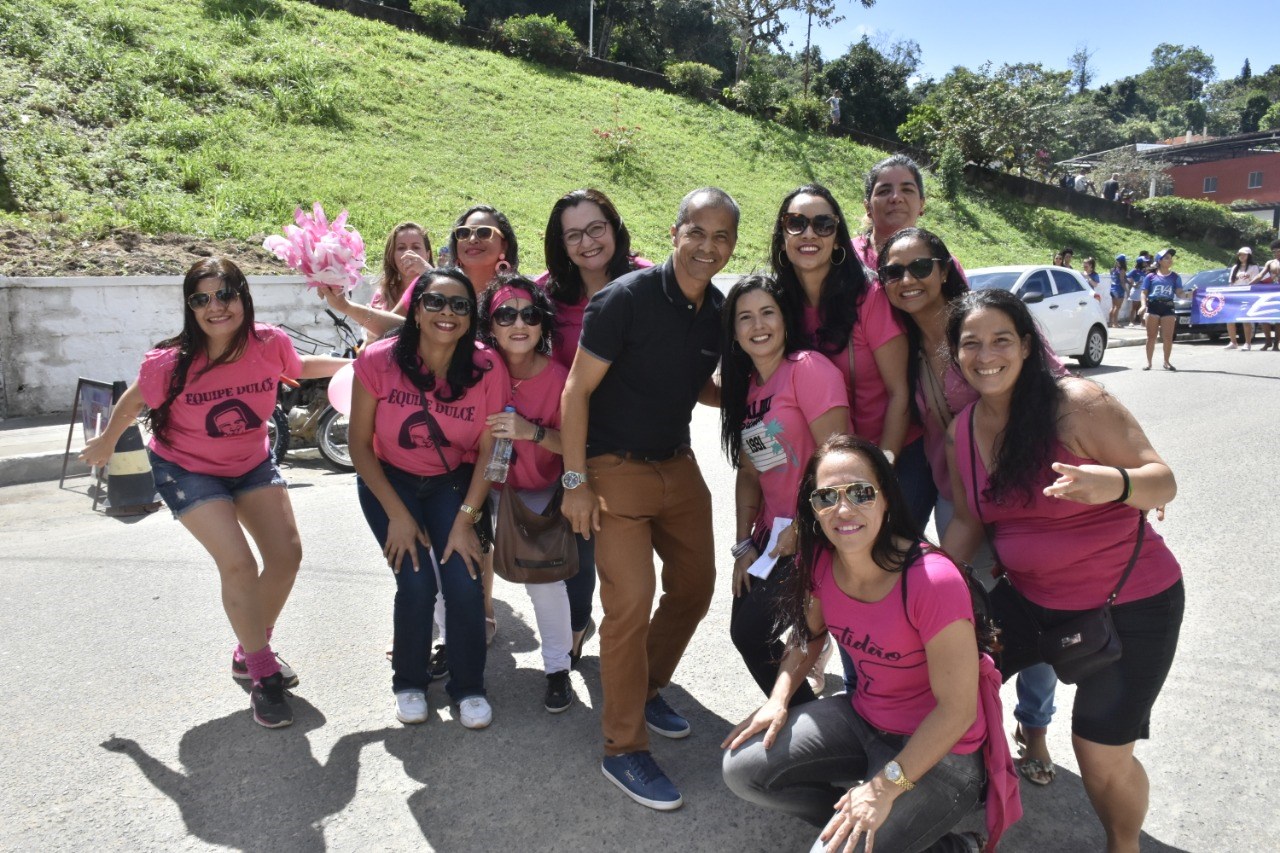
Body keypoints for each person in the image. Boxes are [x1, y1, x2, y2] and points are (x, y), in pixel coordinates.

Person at [941, 288, 1184, 853]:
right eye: (970, 344)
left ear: (1026, 346)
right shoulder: (963, 429)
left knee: (1099, 754)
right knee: (946, 686)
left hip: (1128, 603)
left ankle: (1123, 846)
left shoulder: (1075, 402)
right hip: (1027, 600)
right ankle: (959, 800)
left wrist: (1113, 485)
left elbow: (1162, 480)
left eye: (1001, 339)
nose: (986, 354)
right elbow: (969, 522)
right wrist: (919, 579)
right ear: (956, 356)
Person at [79, 258, 348, 729]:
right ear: (190, 307)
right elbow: (137, 397)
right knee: (239, 564)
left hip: (250, 462)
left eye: (224, 294)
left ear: (243, 296)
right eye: (201, 298)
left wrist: (355, 363)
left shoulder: (269, 342)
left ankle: (250, 649)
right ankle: (263, 675)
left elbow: (297, 366)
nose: (215, 307)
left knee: (286, 557)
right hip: (187, 468)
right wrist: (106, 440)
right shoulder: (172, 362)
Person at [721, 434, 1021, 853]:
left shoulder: (932, 580)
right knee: (742, 767)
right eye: (826, 497)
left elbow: (957, 711)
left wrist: (882, 790)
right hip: (865, 719)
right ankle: (880, 831)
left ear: (885, 498)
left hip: (944, 755)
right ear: (813, 509)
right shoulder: (823, 559)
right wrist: (779, 697)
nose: (843, 509)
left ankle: (944, 843)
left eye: (860, 493)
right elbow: (808, 636)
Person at [561, 187, 738, 810]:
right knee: (630, 602)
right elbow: (575, 393)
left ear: (731, 246)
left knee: (696, 586)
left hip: (678, 466)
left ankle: (647, 685)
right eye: (698, 232)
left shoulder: (719, 311)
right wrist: (575, 481)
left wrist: (757, 392)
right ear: (674, 232)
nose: (707, 247)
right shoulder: (623, 300)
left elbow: (699, 384)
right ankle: (623, 748)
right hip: (613, 472)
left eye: (721, 238)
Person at [880, 226, 1064, 789]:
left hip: (1023, 493)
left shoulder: (985, 322)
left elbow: (1054, 389)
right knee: (971, 616)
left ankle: (1033, 728)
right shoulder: (906, 347)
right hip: (957, 499)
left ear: (943, 268)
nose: (907, 280)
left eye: (920, 267)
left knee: (1033, 610)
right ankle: (969, 722)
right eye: (894, 272)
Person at [348, 267, 508, 729]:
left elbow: (490, 450)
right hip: (388, 480)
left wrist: (466, 518)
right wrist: (397, 516)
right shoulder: (377, 360)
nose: (447, 313)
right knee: (416, 581)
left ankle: (469, 687)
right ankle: (409, 681)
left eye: (460, 305)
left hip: (454, 482)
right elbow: (359, 446)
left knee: (463, 579)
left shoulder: (486, 366)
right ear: (415, 309)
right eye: (435, 302)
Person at [718, 274, 848, 700]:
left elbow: (840, 460)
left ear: (785, 320)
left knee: (754, 632)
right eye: (745, 317)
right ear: (734, 332)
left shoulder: (807, 369)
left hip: (817, 531)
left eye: (767, 313)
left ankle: (804, 721)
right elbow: (751, 473)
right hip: (770, 536)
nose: (758, 325)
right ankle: (800, 716)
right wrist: (742, 546)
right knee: (748, 634)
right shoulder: (749, 388)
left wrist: (807, 527)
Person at [476, 275, 579, 712]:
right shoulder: (478, 369)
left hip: (539, 491)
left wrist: (531, 431)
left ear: (542, 324)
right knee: (455, 570)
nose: (519, 324)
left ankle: (557, 669)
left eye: (529, 314)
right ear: (490, 325)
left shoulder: (560, 378)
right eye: (505, 314)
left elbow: (575, 446)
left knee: (546, 583)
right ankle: (457, 655)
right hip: (482, 485)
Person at [319, 222, 433, 343]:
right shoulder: (383, 294)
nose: (409, 253)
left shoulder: (436, 289)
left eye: (416, 247)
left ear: (427, 255)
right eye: (401, 248)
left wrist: (429, 272)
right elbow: (368, 344)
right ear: (392, 256)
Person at [1140, 248, 1184, 371]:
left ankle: (1166, 362)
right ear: (1159, 261)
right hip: (1153, 305)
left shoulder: (1175, 276)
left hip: (1168, 306)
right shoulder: (1150, 276)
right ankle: (1149, 363)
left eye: (1171, 258)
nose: (1170, 260)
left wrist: (1190, 295)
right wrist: (1143, 305)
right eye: (1167, 258)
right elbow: (1144, 292)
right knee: (1151, 337)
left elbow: (1179, 292)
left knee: (1168, 337)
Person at [1224, 247, 1261, 350]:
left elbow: (1255, 281)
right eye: (1240, 254)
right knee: (1230, 320)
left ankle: (1247, 343)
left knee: (1245, 320)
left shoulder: (1253, 267)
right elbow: (1231, 283)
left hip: (1247, 296)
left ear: (1249, 255)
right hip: (1234, 295)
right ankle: (1233, 342)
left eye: (1244, 254)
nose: (1241, 256)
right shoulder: (1235, 267)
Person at [1246, 238, 1280, 350]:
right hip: (1271, 292)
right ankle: (1268, 341)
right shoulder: (1270, 263)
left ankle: (1276, 344)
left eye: (1278, 251)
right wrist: (1248, 285)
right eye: (1274, 251)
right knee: (1264, 317)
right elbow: (1260, 276)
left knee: (1278, 320)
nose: (1276, 253)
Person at [1125, 257, 1149, 327]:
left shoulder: (1146, 271)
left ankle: (1142, 322)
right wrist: (1132, 284)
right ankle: (1131, 321)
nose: (1146, 263)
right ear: (1140, 263)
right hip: (1136, 291)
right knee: (1134, 307)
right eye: (1144, 262)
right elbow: (1126, 277)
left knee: (1142, 307)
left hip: (1143, 291)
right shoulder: (1135, 271)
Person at [1108, 255, 1129, 328]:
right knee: (1117, 307)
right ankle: (1115, 323)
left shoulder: (1112, 269)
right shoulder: (1122, 270)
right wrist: (1127, 290)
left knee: (1113, 306)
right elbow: (1122, 281)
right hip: (1119, 289)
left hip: (1112, 289)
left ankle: (1110, 322)